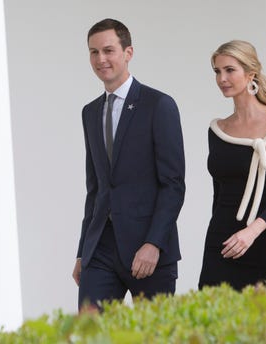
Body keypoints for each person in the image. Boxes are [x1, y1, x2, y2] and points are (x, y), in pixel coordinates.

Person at [72, 18, 185, 310]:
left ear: (128, 52)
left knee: (154, 336)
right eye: (93, 52)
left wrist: (154, 244)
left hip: (148, 248)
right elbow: (95, 188)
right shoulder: (90, 112)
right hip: (101, 250)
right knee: (89, 335)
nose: (101, 59)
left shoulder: (158, 105)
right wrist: (83, 251)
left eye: (108, 50)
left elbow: (173, 185)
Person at [198, 40, 266, 291]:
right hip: (223, 246)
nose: (222, 78)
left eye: (229, 70)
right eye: (217, 71)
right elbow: (218, 194)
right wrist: (214, 241)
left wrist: (250, 233)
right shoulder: (217, 130)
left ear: (250, 74)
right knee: (212, 326)